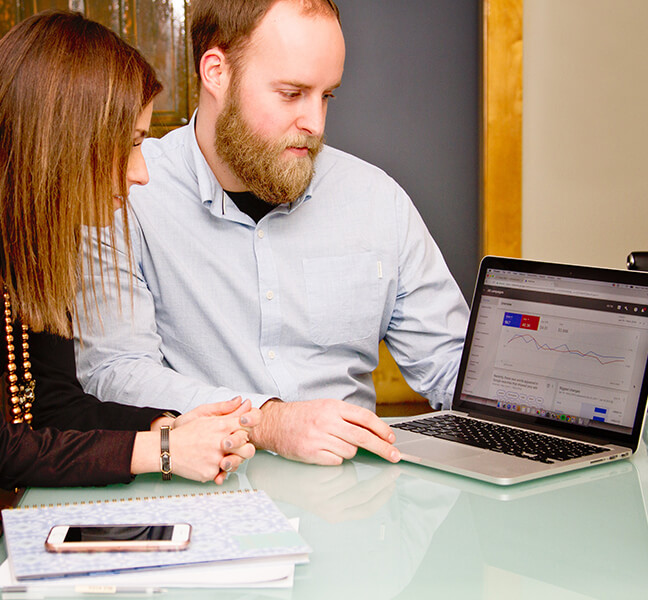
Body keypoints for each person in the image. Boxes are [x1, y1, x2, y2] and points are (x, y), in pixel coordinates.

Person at [75, 0, 469, 466]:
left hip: (356, 501)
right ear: (216, 72)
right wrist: (267, 421)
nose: (316, 125)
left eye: (326, 96)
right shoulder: (125, 195)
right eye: (291, 94)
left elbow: (451, 364)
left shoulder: (377, 199)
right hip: (205, 488)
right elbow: (115, 371)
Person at [0, 9, 260, 491]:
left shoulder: (38, 247)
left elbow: (55, 405)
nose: (142, 173)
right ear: (63, 142)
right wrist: (161, 452)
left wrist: (165, 425)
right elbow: (6, 448)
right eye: (130, 144)